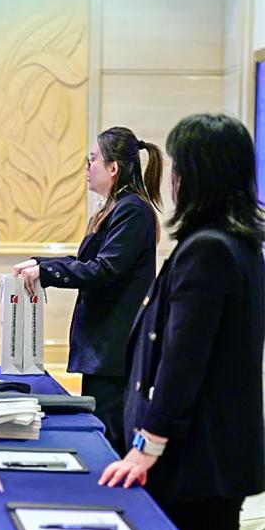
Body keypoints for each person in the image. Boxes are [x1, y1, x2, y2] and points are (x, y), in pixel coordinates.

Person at [99, 113, 265, 530]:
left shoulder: (209, 249)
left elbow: (182, 359)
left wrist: (147, 446)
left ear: (195, 174)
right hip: (212, 455)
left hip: (195, 460)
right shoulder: (237, 244)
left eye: (176, 166)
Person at [13, 127, 163, 453]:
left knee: (109, 439)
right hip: (103, 349)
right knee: (102, 431)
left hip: (114, 349)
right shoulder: (114, 208)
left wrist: (47, 273)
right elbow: (86, 262)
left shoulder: (132, 210)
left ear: (113, 168)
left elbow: (105, 269)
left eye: (92, 159)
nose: (87, 167)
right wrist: (39, 264)